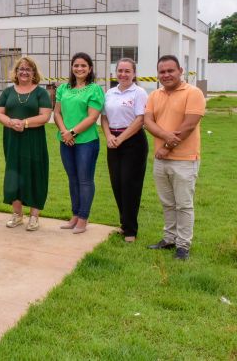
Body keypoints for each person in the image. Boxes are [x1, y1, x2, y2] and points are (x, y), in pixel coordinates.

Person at [143, 55, 205, 261]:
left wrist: (167, 147)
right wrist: (166, 138)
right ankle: (169, 239)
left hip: (185, 159)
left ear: (180, 71)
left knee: (184, 205)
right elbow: (148, 122)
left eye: (170, 70)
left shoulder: (193, 93)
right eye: (162, 72)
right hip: (161, 160)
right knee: (167, 202)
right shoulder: (155, 95)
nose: (166, 75)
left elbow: (189, 125)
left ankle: (183, 246)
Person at [0, 57, 52, 231]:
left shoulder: (41, 93)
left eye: (28, 69)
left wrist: (25, 123)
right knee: (14, 173)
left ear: (34, 72)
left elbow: (45, 116)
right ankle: (17, 214)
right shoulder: (8, 92)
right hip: (12, 139)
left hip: (34, 140)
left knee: (35, 173)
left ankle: (34, 217)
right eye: (21, 69)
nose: (24, 72)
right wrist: (11, 122)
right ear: (16, 71)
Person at [54, 52, 105, 235]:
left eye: (83, 65)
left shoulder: (94, 89)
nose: (79, 68)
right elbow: (57, 113)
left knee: (85, 180)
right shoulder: (63, 88)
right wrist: (64, 132)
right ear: (72, 67)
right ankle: (75, 215)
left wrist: (73, 133)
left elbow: (92, 117)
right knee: (72, 179)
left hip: (86, 142)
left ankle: (83, 217)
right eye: (76, 65)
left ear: (90, 69)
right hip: (65, 141)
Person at [101, 58, 148, 243]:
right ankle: (124, 223)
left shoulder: (139, 92)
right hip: (113, 141)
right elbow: (104, 117)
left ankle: (131, 230)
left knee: (130, 185)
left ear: (134, 73)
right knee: (117, 183)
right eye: (120, 70)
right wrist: (109, 136)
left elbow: (140, 119)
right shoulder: (110, 93)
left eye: (127, 71)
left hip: (133, 142)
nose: (123, 74)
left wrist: (121, 138)